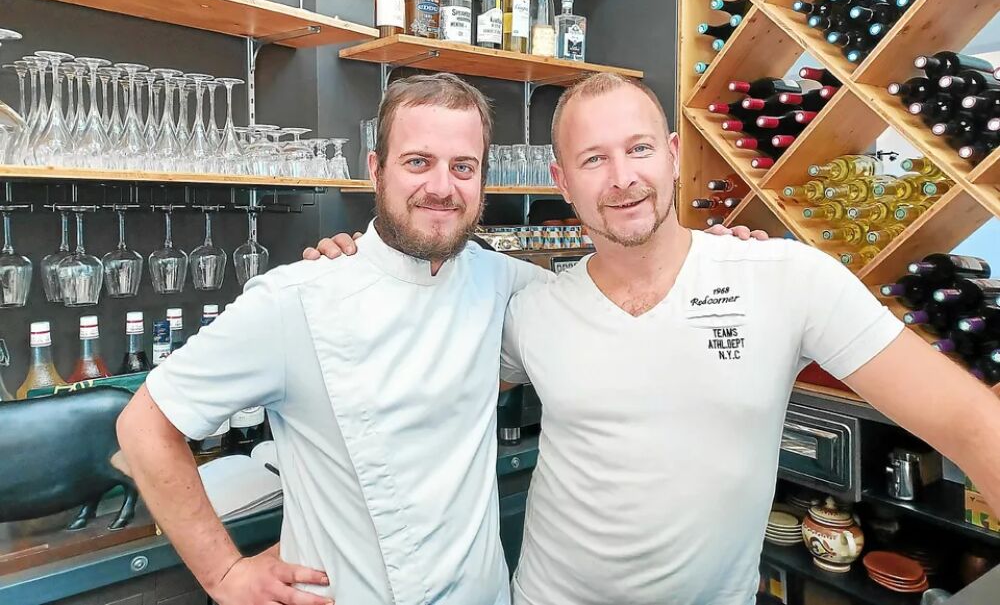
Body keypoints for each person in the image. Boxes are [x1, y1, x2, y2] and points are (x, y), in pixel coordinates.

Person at [309, 73, 1000, 605]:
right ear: (562, 182)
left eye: (639, 149)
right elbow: (405, 376)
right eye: (593, 159)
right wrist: (361, 267)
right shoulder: (533, 306)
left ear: (673, 155)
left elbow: (973, 420)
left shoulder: (785, 278)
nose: (623, 178)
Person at [117, 71, 756, 605]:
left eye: (463, 166)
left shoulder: (504, 281)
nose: (442, 188)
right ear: (376, 168)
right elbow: (145, 426)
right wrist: (226, 574)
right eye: (418, 162)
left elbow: (619, 302)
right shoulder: (297, 300)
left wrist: (704, 258)